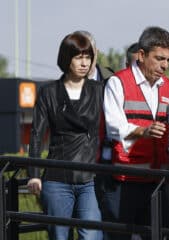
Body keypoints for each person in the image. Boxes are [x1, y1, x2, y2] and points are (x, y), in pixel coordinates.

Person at [103, 26, 169, 240]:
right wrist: (144, 131)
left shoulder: (166, 86)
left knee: (160, 236)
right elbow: (114, 127)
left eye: (168, 59)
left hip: (158, 180)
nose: (165, 65)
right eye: (160, 58)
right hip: (126, 180)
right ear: (141, 55)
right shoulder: (117, 82)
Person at [27, 32, 103, 240]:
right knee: (59, 236)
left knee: (92, 235)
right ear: (66, 58)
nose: (84, 63)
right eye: (78, 57)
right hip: (57, 178)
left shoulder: (100, 90)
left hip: (90, 178)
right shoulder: (48, 92)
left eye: (88, 57)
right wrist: (33, 173)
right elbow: (36, 135)